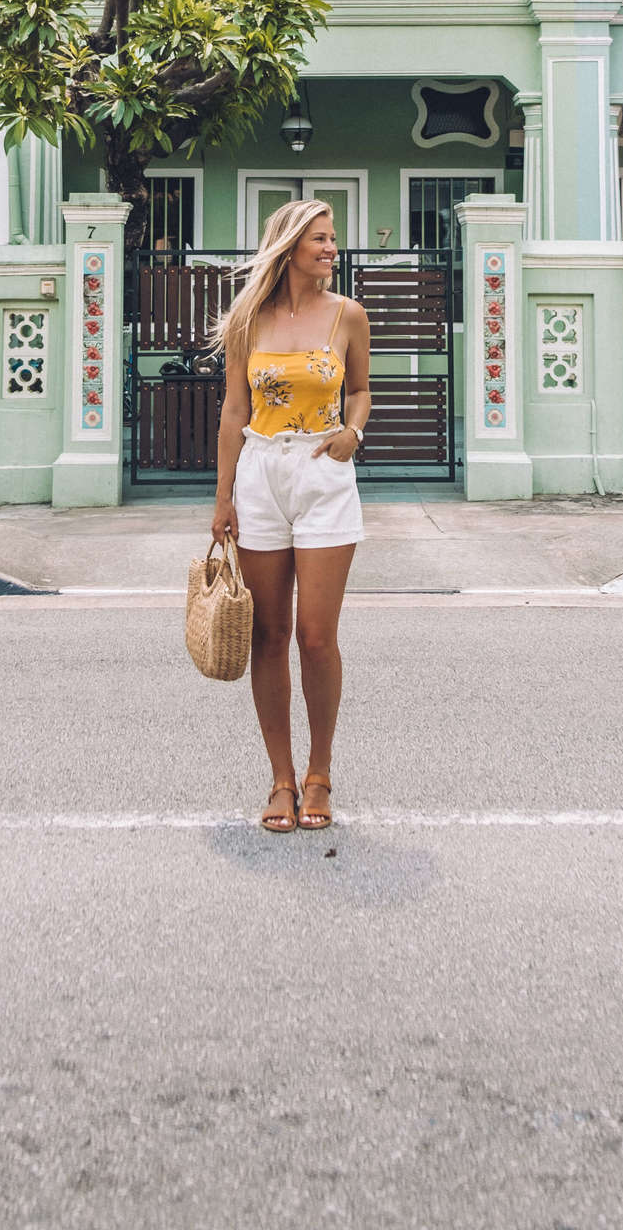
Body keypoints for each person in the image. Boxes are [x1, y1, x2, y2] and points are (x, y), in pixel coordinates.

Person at [210, 198, 371, 833]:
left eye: (334, 240)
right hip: (259, 474)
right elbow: (231, 411)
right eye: (320, 240)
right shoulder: (248, 321)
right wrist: (223, 498)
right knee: (267, 635)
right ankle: (281, 777)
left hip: (323, 474)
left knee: (316, 636)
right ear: (288, 249)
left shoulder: (348, 316)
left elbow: (359, 390)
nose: (332, 249)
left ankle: (320, 772)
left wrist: (352, 435)